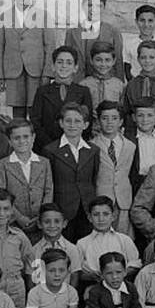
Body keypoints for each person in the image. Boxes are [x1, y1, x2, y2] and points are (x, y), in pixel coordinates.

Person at [0, 0, 61, 119]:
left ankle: (34, 141)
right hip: (13, 72)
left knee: (36, 110)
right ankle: (17, 139)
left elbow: (50, 46)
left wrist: (47, 73)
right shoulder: (4, 16)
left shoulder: (43, 16)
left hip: (36, 72)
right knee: (17, 113)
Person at [44, 101, 100, 241]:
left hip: (86, 208)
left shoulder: (93, 150)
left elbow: (93, 179)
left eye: (77, 121)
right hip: (62, 209)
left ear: (85, 125)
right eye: (68, 121)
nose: (72, 125)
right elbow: (50, 183)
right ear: (61, 123)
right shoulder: (50, 150)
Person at [0, 118, 52, 240]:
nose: (22, 141)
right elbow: (0, 195)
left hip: (40, 224)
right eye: (16, 138)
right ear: (9, 141)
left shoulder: (44, 162)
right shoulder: (2, 165)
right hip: (13, 224)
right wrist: (19, 218)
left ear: (33, 137)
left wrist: (41, 216)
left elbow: (48, 191)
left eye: (26, 137)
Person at [31, 45, 94, 151]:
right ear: (53, 66)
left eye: (69, 63)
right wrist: (50, 146)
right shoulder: (42, 91)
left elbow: (87, 122)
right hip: (46, 147)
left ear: (75, 68)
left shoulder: (83, 92)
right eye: (60, 62)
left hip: (74, 147)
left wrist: (75, 145)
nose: (64, 66)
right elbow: (35, 122)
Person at [91, 101, 136, 233]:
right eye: (105, 118)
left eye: (114, 118)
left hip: (124, 201)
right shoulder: (91, 146)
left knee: (123, 238)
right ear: (98, 121)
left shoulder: (130, 146)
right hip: (101, 199)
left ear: (121, 121)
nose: (109, 122)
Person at [76, 196, 141, 282]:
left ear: (113, 216)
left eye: (106, 214)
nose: (101, 219)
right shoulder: (82, 243)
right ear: (90, 218)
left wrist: (117, 274)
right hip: (94, 285)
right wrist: (93, 276)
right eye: (96, 215)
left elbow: (135, 264)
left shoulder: (124, 239)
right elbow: (78, 271)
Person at [127, 99, 155, 200]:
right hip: (135, 186)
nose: (145, 120)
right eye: (140, 115)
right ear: (134, 117)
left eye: (149, 115)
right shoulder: (127, 139)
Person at [122, 4, 155, 81]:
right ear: (136, 22)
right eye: (142, 20)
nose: (146, 25)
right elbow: (127, 67)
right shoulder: (129, 44)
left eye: (150, 21)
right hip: (137, 84)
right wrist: (133, 83)